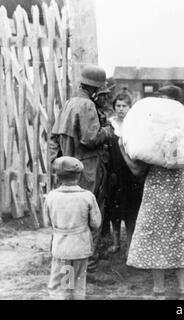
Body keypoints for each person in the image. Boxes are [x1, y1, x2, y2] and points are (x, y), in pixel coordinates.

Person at [120, 86, 184, 300]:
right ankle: (183, 291)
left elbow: (136, 170)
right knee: (179, 240)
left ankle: (159, 293)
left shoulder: (155, 147)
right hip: (179, 196)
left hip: (156, 198)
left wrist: (123, 150)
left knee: (155, 243)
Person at [49, 65, 113, 273]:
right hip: (87, 169)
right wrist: (107, 131)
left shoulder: (69, 103)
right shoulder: (86, 105)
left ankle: (65, 264)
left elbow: (54, 138)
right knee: (90, 214)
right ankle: (89, 266)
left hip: (68, 170)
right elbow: (91, 138)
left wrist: (56, 163)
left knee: (68, 218)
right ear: (95, 89)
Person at [45, 157, 101, 300]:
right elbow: (96, 223)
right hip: (80, 247)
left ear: (58, 176)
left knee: (63, 286)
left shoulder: (51, 196)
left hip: (62, 248)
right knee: (77, 285)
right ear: (79, 175)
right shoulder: (87, 196)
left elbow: (47, 222)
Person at [106, 93, 143, 254]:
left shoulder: (134, 125)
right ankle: (115, 243)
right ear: (114, 108)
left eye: (124, 106)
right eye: (118, 106)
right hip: (114, 172)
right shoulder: (110, 125)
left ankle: (130, 244)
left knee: (131, 209)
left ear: (130, 107)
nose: (121, 109)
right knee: (114, 208)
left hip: (131, 172)